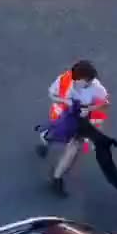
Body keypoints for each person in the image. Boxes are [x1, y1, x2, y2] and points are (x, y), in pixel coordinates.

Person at [38, 60, 110, 196]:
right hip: (63, 116)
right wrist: (66, 102)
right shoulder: (64, 80)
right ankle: (47, 138)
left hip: (81, 119)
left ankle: (56, 177)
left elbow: (104, 104)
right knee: (56, 135)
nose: (89, 84)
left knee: (74, 148)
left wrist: (89, 109)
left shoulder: (96, 87)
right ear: (78, 79)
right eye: (86, 82)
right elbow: (52, 95)